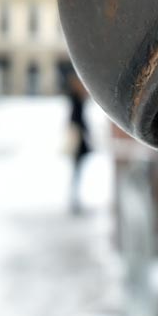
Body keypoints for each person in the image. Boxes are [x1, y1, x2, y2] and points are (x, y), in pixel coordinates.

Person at [65, 71, 92, 214]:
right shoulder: (76, 101)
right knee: (77, 171)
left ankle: (75, 199)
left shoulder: (75, 100)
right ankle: (74, 200)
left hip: (79, 141)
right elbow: (78, 121)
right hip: (79, 142)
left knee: (77, 171)